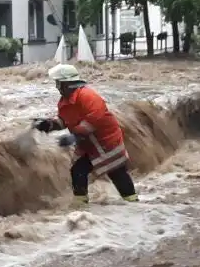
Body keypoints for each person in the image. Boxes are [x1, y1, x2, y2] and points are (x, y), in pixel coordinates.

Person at [34, 64, 139, 207]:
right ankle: (80, 205)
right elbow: (64, 120)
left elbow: (96, 118)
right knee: (78, 170)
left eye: (59, 83)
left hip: (106, 141)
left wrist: (75, 135)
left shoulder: (87, 95)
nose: (57, 87)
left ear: (67, 84)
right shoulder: (64, 101)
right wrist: (49, 125)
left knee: (116, 171)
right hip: (88, 144)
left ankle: (134, 205)